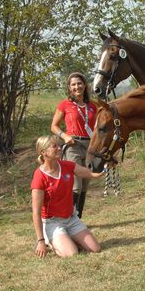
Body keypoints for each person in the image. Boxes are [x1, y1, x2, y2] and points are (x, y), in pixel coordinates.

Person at [31, 134, 104, 258]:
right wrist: (40, 241)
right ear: (44, 152)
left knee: (95, 249)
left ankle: (65, 238)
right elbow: (36, 213)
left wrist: (105, 168)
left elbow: (91, 173)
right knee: (72, 254)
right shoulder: (39, 176)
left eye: (59, 146)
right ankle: (51, 240)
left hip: (71, 219)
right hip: (52, 222)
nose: (60, 148)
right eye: (55, 146)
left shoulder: (67, 165)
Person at [51, 72, 97, 218]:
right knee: (75, 184)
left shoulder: (93, 106)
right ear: (69, 88)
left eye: (79, 83)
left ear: (84, 85)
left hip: (90, 146)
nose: (77, 87)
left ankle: (78, 219)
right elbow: (54, 126)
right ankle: (67, 219)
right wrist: (64, 136)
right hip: (73, 146)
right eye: (73, 84)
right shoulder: (65, 104)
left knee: (85, 184)